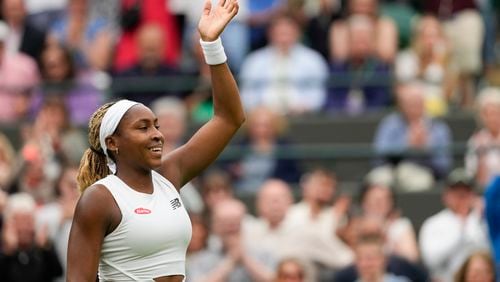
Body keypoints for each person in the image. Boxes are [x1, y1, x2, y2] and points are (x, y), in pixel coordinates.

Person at [66, 1, 245, 281]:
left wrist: (211, 45)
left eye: (157, 126)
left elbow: (229, 119)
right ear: (113, 142)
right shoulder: (99, 199)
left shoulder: (169, 176)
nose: (157, 134)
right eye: (143, 127)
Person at [419, 168, 489, 282]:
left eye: (466, 192)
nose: (461, 197)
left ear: (473, 194)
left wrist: (482, 215)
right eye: (456, 192)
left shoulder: (482, 219)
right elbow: (431, 261)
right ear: (446, 196)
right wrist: (461, 230)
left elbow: (490, 255)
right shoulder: (433, 223)